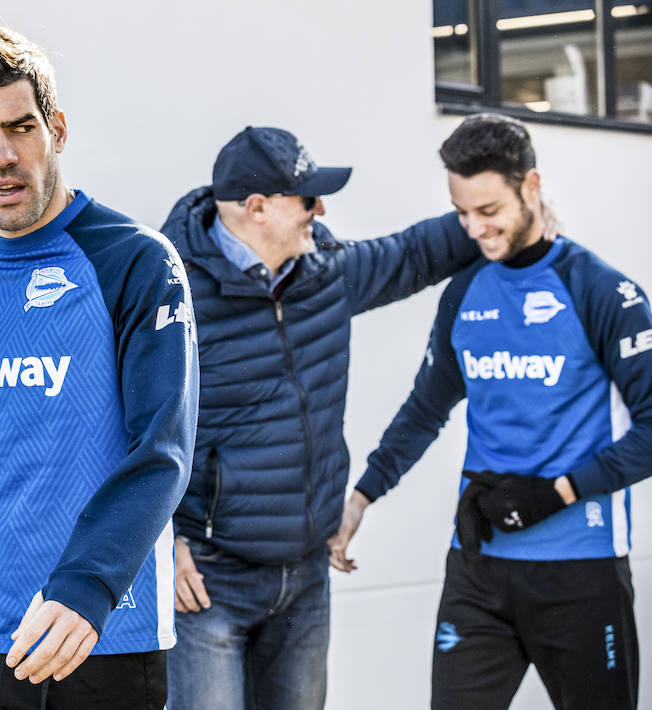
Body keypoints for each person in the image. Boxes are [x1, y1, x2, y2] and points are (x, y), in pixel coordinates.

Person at [0, 25, 198, 710]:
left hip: (94, 637)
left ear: (57, 129)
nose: (1, 156)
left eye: (20, 127)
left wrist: (86, 588)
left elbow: (163, 452)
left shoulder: (135, 262)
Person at [330, 113, 651, 709]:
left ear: (531, 187)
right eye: (462, 213)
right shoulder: (467, 291)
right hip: (478, 566)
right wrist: (362, 496)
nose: (475, 229)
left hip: (580, 571)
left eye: (490, 211)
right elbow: (427, 407)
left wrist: (556, 492)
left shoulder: (601, 292)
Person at [159, 125, 486, 710]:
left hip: (307, 574)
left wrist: (502, 209)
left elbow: (416, 252)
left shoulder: (325, 272)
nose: (322, 208)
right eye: (306, 199)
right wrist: (164, 540)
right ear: (255, 207)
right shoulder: (169, 293)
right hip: (209, 583)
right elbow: (121, 424)